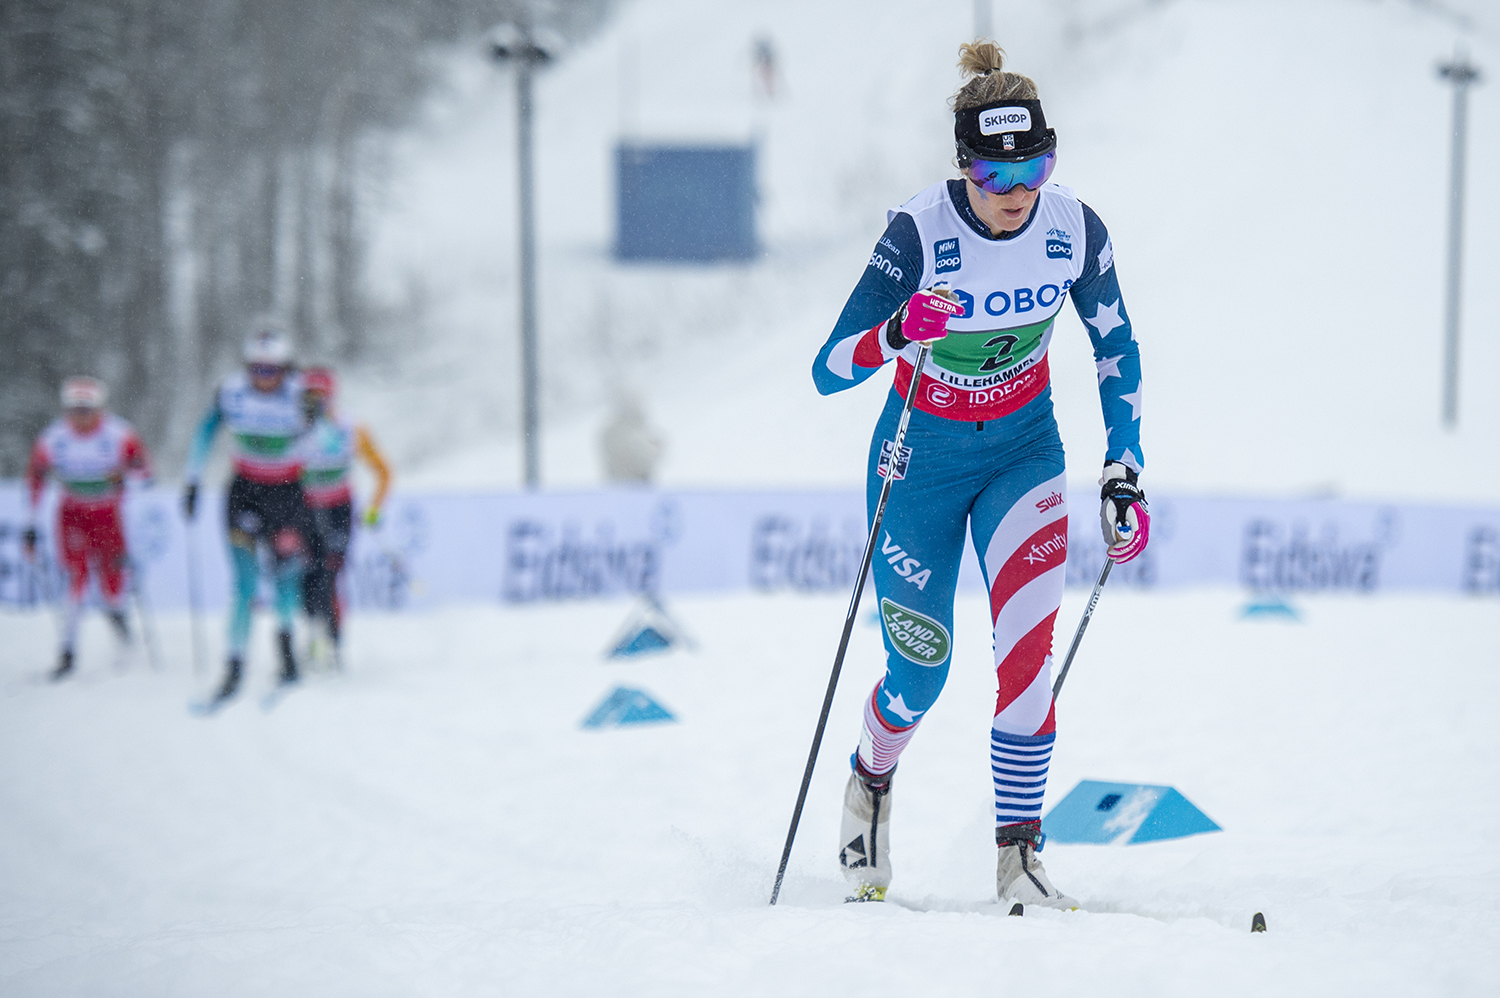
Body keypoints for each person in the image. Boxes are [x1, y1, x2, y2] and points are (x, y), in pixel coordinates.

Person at [811, 41, 1150, 907]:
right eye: (996, 177)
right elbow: (828, 367)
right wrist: (897, 333)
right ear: (963, 169)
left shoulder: (1074, 229)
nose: (1015, 195)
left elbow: (1115, 346)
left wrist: (1125, 462)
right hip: (916, 463)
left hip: (1022, 454)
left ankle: (1018, 860)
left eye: (1034, 168)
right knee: (921, 672)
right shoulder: (918, 232)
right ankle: (870, 779)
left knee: (1027, 661)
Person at [184, 322, 310, 702]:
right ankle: (235, 661)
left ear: (286, 368)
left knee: (287, 576)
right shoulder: (231, 391)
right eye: (256, 368)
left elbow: (331, 440)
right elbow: (205, 433)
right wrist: (192, 479)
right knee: (245, 582)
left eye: (271, 370)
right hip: (245, 494)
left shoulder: (302, 394)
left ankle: (286, 652)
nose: (263, 377)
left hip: (288, 495)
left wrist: (319, 417)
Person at [24, 376, 153, 679]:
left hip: (108, 514)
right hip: (72, 514)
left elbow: (145, 472)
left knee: (111, 580)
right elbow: (35, 479)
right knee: (76, 577)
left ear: (100, 408)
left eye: (87, 410)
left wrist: (124, 480)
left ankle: (117, 617)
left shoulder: (119, 434)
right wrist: (30, 523)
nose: (81, 417)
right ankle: (68, 650)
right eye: (75, 410)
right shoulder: (53, 438)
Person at [297, 366, 391, 667]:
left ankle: (334, 643)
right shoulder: (292, 427)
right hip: (305, 509)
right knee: (306, 576)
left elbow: (384, 472)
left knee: (330, 573)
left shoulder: (350, 427)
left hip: (339, 509)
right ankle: (313, 635)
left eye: (320, 396)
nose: (314, 402)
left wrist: (374, 509)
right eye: (308, 396)